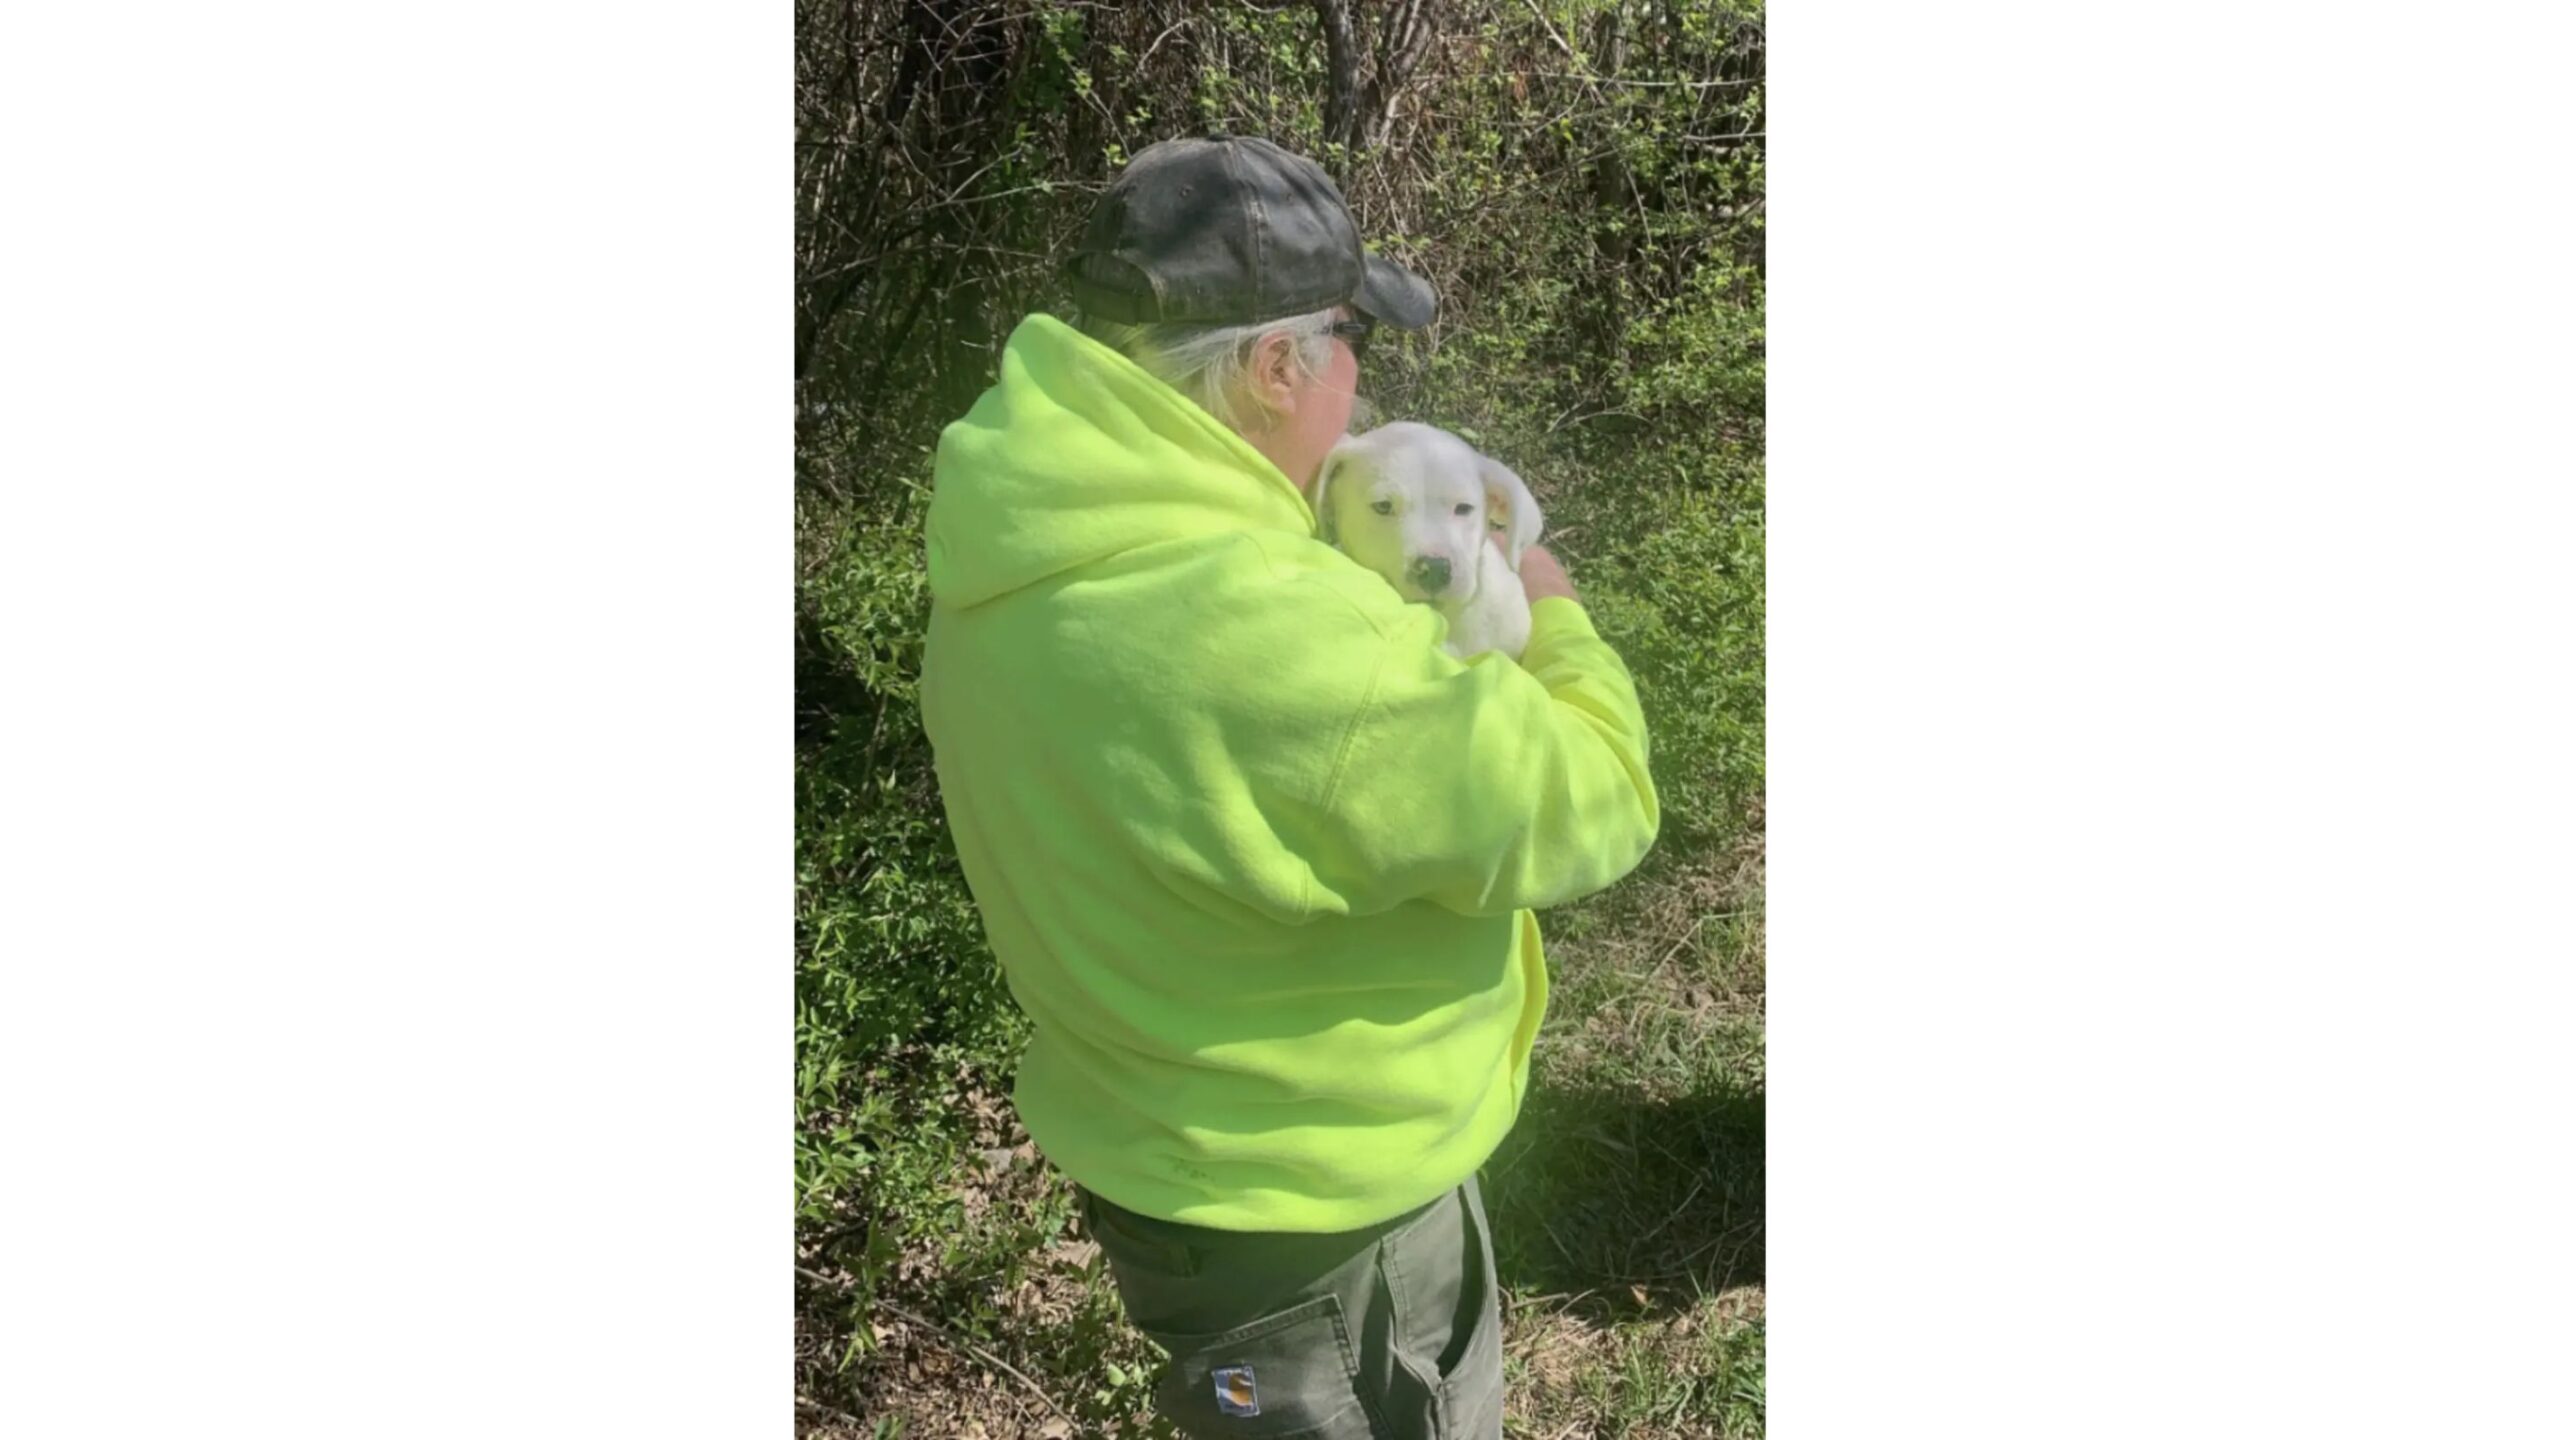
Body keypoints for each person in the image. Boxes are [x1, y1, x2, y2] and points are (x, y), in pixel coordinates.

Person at [917, 135, 1659, 1440]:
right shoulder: (1284, 634)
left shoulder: (1008, 542)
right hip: (1332, 1221)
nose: (1363, 381)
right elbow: (1596, 798)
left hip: (1167, 1182)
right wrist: (1549, 606)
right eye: (1353, 342)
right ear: (1276, 367)